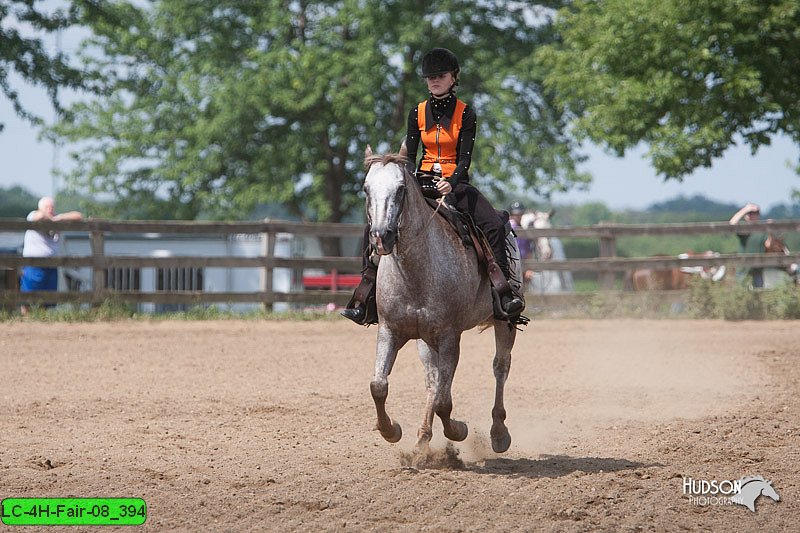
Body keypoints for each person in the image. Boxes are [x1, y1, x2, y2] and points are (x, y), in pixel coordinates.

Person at [341, 47, 524, 325]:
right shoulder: (417, 113)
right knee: (374, 227)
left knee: (494, 225)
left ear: (453, 77)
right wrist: (413, 183)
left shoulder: (466, 114)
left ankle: (502, 290)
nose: (434, 81)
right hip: (421, 184)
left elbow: (464, 160)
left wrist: (450, 183)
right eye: (429, 77)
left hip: (456, 186)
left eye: (440, 75)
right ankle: (366, 294)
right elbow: (409, 159)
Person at [20, 197, 83, 314]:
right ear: (40, 208)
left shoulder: (57, 218)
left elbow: (78, 216)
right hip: (33, 264)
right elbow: (39, 217)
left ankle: (42, 321)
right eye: (47, 207)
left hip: (51, 264)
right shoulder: (33, 215)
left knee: (48, 299)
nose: (50, 209)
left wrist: (58, 218)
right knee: (28, 297)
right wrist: (50, 218)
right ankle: (26, 321)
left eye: (52, 207)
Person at [729, 202, 766, 288]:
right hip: (743, 270)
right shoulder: (744, 229)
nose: (751, 215)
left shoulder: (763, 230)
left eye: (755, 213)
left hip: (758, 271)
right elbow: (732, 224)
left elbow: (770, 244)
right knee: (742, 296)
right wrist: (745, 209)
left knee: (758, 297)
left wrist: (771, 229)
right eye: (749, 213)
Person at [508, 201, 534, 283]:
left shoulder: (522, 229)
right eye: (516, 214)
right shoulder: (511, 227)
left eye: (519, 214)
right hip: (512, 264)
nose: (518, 216)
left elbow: (528, 250)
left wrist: (529, 268)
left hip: (522, 264)